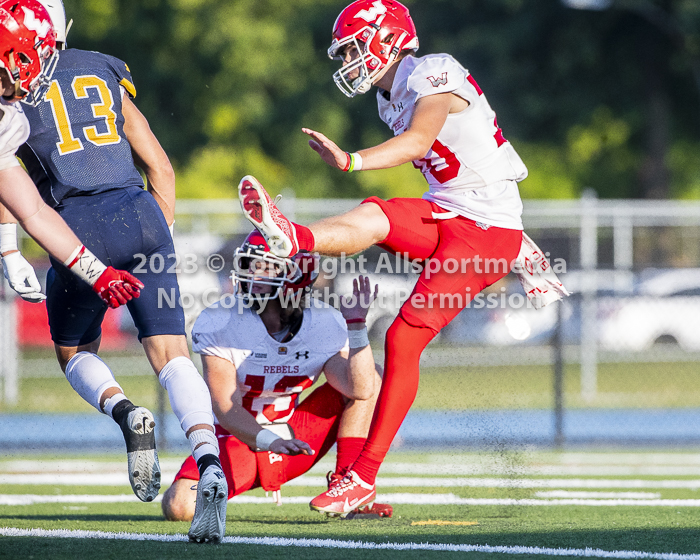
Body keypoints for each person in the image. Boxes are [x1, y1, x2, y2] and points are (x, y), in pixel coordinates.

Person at [237, 0, 568, 516]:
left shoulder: (434, 70)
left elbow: (419, 142)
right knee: (373, 217)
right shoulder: (387, 97)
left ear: (386, 38)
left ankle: (362, 478)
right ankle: (293, 236)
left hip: (486, 231)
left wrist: (351, 160)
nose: (347, 59)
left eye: (352, 47)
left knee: (402, 336)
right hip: (452, 213)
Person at [2, 0, 227, 542]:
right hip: (142, 214)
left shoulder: (16, 103)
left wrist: (10, 252)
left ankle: (127, 413)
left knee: (74, 351)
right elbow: (160, 164)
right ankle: (209, 461)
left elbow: (19, 196)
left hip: (75, 222)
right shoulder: (101, 66)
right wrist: (160, 237)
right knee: (173, 355)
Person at [162, 232, 392, 520]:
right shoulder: (221, 320)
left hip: (298, 435)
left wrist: (357, 328)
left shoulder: (323, 322)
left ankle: (348, 487)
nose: (253, 272)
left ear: (297, 274)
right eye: (251, 264)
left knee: (374, 375)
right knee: (180, 506)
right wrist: (269, 440)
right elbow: (225, 407)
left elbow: (359, 389)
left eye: (266, 266)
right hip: (238, 437)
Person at [0, 0, 141, 310]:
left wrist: (99, 276)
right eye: (39, 54)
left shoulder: (8, 120)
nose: (43, 68)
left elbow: (32, 210)